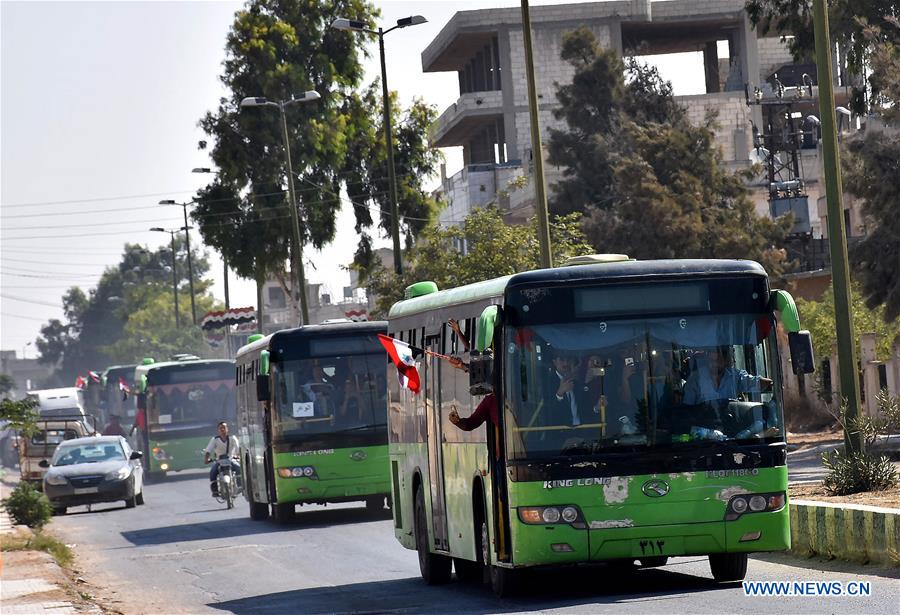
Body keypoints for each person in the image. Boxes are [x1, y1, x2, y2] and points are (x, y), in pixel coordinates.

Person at [682, 346, 773, 406]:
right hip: (704, 427)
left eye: (718, 360)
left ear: (726, 361)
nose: (714, 365)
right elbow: (688, 409)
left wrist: (772, 383)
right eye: (711, 361)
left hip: (731, 425)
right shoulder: (695, 379)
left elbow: (756, 383)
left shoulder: (735, 376)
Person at [204, 421, 241, 497]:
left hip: (230, 460)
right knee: (212, 472)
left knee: (239, 468)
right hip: (219, 461)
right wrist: (206, 459)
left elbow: (238, 450)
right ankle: (215, 491)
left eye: (224, 427)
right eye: (220, 428)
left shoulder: (232, 438)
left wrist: (238, 456)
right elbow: (208, 451)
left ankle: (239, 486)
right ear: (218, 430)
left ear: (227, 429)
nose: (222, 429)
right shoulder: (215, 440)